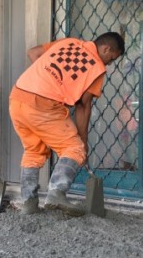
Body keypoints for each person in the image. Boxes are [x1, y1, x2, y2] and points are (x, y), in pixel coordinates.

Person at [9, 32, 125, 216]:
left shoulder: (69, 42)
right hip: (43, 104)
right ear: (106, 49)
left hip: (18, 96)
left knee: (33, 150)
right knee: (74, 148)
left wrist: (47, 79)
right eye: (111, 59)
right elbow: (83, 106)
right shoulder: (96, 68)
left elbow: (34, 53)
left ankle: (29, 203)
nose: (109, 63)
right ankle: (56, 192)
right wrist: (83, 141)